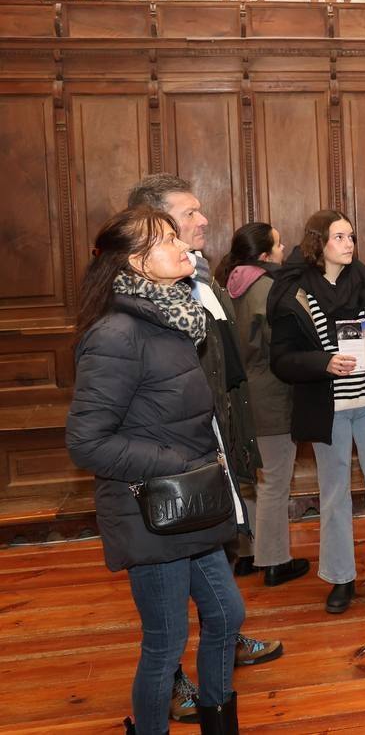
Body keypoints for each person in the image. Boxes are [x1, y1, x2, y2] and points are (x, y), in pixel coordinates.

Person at [66, 207, 244, 734]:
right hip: (151, 507)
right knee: (166, 643)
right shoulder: (117, 334)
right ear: (138, 262)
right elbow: (87, 441)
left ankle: (219, 722)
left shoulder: (171, 319)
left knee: (227, 616)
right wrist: (178, 464)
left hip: (190, 499)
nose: (184, 247)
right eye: (168, 240)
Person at [126, 175, 282, 723]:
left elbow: (223, 374)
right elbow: (100, 430)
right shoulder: (127, 321)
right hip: (170, 481)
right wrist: (179, 464)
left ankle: (217, 668)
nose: (203, 222)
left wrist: (231, 450)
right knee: (165, 630)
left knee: (222, 603)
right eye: (189, 214)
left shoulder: (200, 287)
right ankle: (171, 683)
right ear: (153, 228)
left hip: (212, 451)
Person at [267, 209, 365, 615]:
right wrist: (323, 362)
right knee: (334, 496)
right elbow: (282, 359)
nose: (349, 244)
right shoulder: (294, 290)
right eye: (340, 237)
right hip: (328, 410)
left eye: (351, 236)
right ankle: (341, 579)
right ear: (319, 243)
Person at [214, 223, 310, 589]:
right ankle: (275, 560)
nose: (285, 248)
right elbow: (282, 345)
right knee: (274, 482)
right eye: (279, 243)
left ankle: (250, 552)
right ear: (266, 256)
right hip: (271, 395)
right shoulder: (270, 288)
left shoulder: (225, 285)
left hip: (238, 396)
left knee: (249, 479)